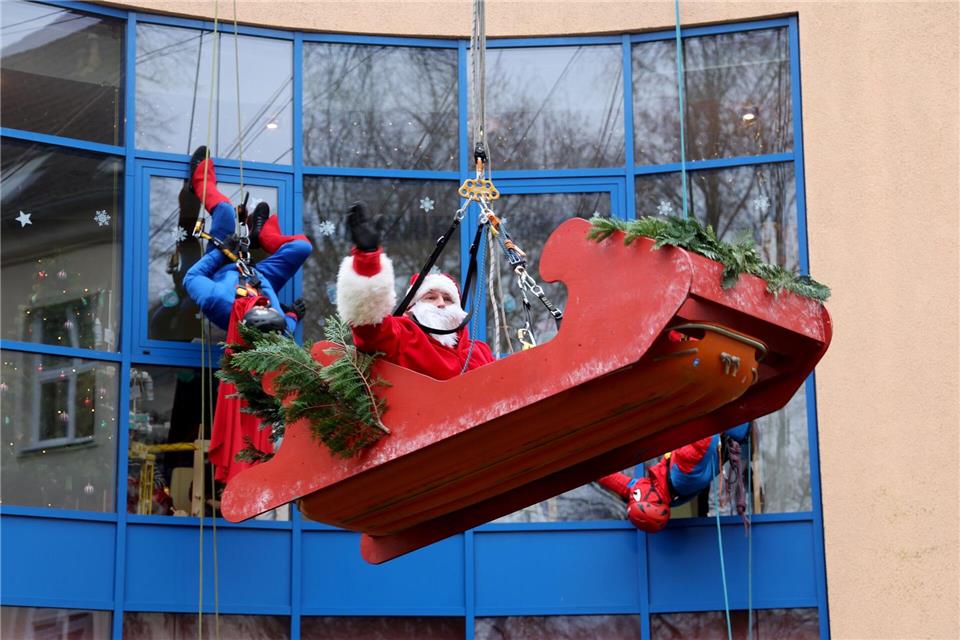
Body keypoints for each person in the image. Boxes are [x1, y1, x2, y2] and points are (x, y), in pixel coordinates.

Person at [182, 146, 312, 483]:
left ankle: (200, 179)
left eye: (265, 311)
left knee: (225, 213)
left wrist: (221, 253)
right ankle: (263, 235)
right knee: (301, 247)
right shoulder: (273, 318)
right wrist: (291, 317)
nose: (268, 307)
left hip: (222, 265)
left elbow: (191, 278)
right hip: (259, 274)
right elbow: (284, 337)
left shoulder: (218, 302)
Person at [334, 201, 495, 380]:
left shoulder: (480, 351)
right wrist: (367, 258)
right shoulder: (402, 337)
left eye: (448, 299)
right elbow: (369, 325)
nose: (441, 304)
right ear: (411, 308)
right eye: (431, 297)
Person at [598, 423, 751, 532]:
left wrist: (591, 469)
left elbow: (621, 484)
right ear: (653, 499)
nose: (634, 488)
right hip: (734, 420)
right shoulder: (682, 471)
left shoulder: (664, 489)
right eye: (636, 495)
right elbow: (705, 428)